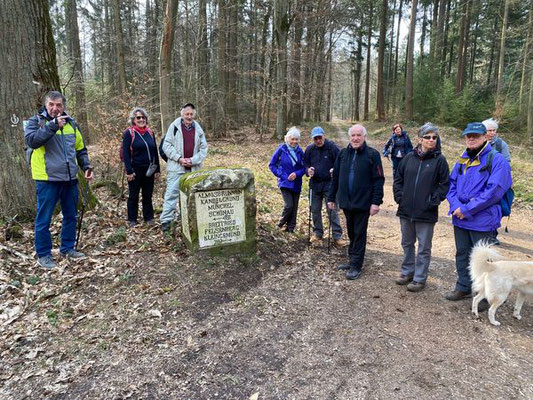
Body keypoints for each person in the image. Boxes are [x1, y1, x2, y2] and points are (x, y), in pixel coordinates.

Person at [24, 91, 94, 269]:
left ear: (64, 106)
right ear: (45, 105)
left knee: (71, 215)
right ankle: (44, 255)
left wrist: (86, 167)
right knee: (44, 219)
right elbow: (32, 141)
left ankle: (68, 248)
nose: (55, 108)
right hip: (47, 180)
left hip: (70, 178)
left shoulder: (71, 124)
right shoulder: (36, 122)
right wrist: (53, 126)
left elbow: (80, 149)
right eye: (51, 105)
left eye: (59, 105)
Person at [445, 122, 512, 303]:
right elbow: (451, 185)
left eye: (476, 135)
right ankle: (464, 287)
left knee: (483, 259)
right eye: (468, 136)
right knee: (462, 253)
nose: (472, 139)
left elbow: (494, 192)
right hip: (460, 218)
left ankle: (485, 295)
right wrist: (455, 206)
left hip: (482, 219)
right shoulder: (463, 158)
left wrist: (465, 209)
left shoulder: (497, 160)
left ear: (485, 137)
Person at [393, 123, 450, 292]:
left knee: (424, 247)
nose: (431, 140)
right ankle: (407, 272)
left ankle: (419, 278)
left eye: (434, 137)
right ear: (420, 139)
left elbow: (445, 184)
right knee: (407, 243)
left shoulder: (440, 160)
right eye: (428, 137)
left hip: (426, 212)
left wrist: (433, 200)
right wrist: (399, 197)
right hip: (406, 210)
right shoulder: (409, 158)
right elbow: (398, 179)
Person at [327, 124, 385, 280]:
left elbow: (378, 180)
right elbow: (336, 178)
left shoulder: (373, 155)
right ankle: (352, 259)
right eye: (353, 135)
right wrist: (331, 197)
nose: (355, 138)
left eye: (359, 135)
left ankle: (356, 265)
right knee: (352, 231)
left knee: (359, 233)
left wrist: (376, 202)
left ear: (364, 137)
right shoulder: (343, 154)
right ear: (349, 137)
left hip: (363, 203)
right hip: (346, 202)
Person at [160, 103, 208, 233]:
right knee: (171, 194)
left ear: (194, 115)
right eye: (187, 114)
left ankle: (186, 219)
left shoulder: (198, 129)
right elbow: (166, 145)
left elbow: (204, 149)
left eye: (191, 114)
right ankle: (166, 222)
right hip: (176, 168)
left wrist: (192, 160)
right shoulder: (174, 127)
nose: (189, 116)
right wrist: (179, 158)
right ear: (182, 114)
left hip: (193, 169)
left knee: (191, 195)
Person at [303, 126, 347, 247]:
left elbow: (341, 161)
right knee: (315, 210)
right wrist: (308, 170)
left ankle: (337, 236)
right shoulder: (310, 149)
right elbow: (305, 163)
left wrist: (335, 169)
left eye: (320, 137)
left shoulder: (332, 147)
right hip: (315, 184)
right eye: (315, 138)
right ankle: (318, 233)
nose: (318, 140)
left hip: (330, 185)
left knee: (332, 210)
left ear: (324, 136)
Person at [122, 107, 160, 227]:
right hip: (135, 169)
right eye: (138, 117)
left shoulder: (150, 133)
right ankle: (132, 219)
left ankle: (148, 218)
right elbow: (125, 153)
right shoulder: (129, 133)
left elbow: (155, 151)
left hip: (149, 169)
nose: (141, 119)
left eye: (143, 117)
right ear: (133, 119)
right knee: (133, 195)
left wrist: (157, 169)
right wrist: (129, 171)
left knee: (147, 195)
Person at [269, 127, 306, 233]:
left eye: (296, 139)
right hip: (284, 182)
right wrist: (283, 176)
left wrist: (297, 174)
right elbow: (272, 165)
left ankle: (290, 228)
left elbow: (304, 168)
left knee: (294, 207)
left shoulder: (300, 152)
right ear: (287, 138)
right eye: (292, 139)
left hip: (297, 182)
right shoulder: (281, 149)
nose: (294, 141)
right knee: (289, 205)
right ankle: (280, 223)